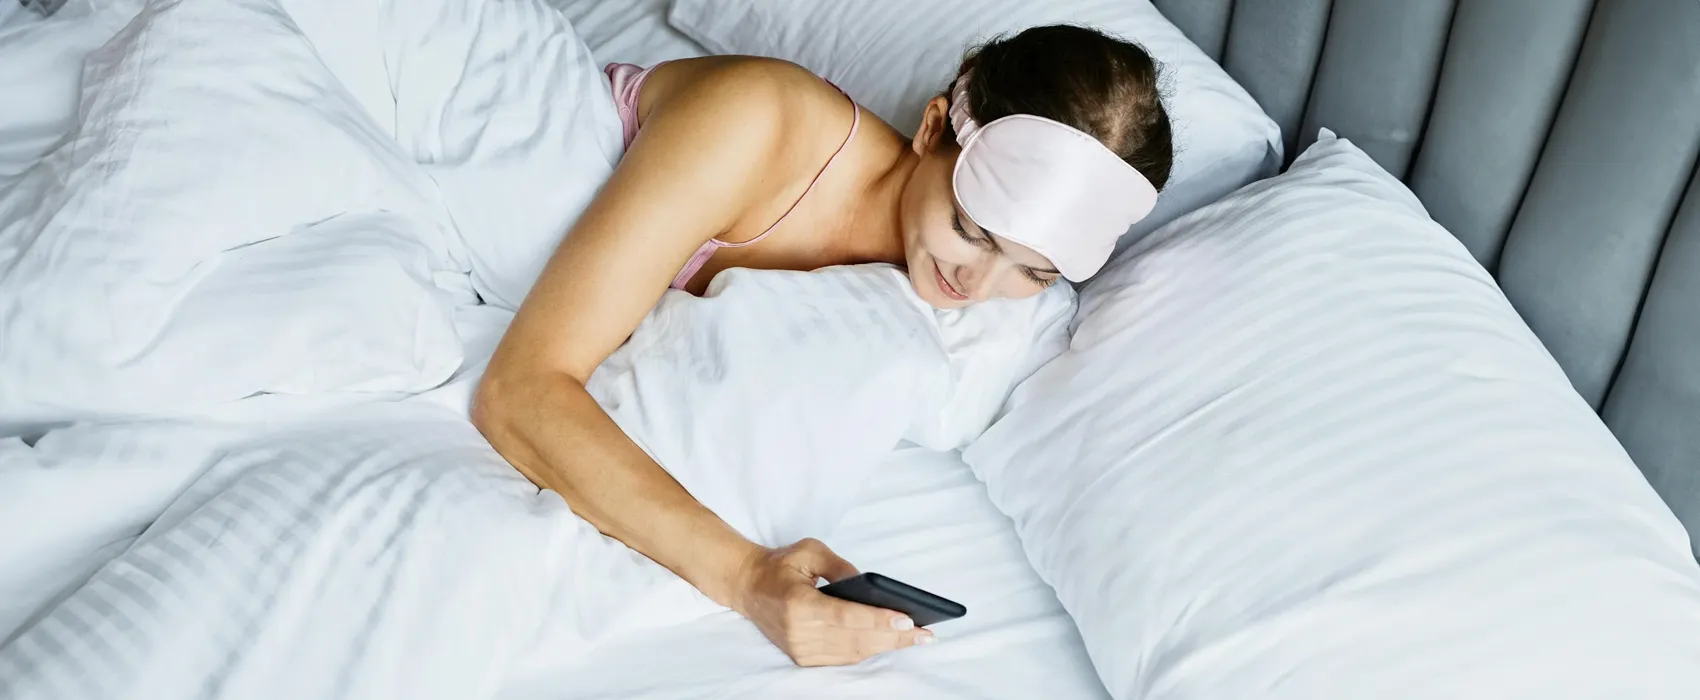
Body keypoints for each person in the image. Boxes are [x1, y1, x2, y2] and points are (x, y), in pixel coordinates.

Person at [471, 24, 1174, 667]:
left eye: (1034, 271)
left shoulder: (940, 304)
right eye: (973, 229)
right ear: (933, 128)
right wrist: (748, 577)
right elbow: (519, 390)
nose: (977, 281)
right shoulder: (755, 123)